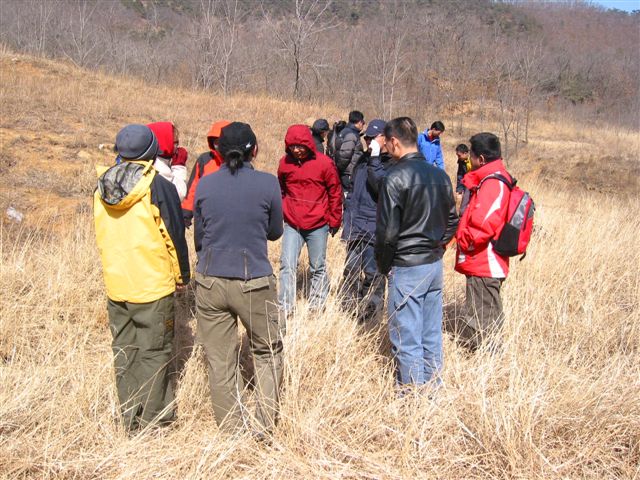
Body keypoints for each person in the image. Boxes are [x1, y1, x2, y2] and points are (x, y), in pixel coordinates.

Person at [94, 124, 190, 431]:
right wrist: (182, 276)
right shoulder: (157, 185)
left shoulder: (102, 184)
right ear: (152, 151)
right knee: (154, 352)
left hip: (117, 283)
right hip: (151, 284)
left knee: (125, 351)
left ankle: (130, 419)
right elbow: (173, 235)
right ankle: (155, 422)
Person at [193, 122, 284, 435]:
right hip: (253, 279)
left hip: (210, 279)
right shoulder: (268, 184)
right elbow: (275, 231)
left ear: (218, 152)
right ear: (254, 150)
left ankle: (231, 429)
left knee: (220, 358)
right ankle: (264, 426)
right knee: (267, 350)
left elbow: (200, 237)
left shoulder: (205, 185)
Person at [375, 117, 458, 388]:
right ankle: (432, 391)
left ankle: (412, 397)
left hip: (407, 265)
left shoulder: (394, 177)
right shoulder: (441, 176)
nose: (385, 148)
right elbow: (453, 220)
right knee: (430, 333)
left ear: (394, 142)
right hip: (433, 265)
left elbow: (387, 233)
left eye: (386, 143)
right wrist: (437, 247)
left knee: (407, 337)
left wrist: (384, 266)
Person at [454, 132, 513, 351]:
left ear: (481, 159)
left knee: (482, 317)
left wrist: (463, 242)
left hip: (485, 261)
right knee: (484, 313)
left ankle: (486, 358)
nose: (470, 160)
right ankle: (487, 355)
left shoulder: (493, 183)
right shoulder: (493, 179)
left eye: (472, 156)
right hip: (483, 259)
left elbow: (482, 224)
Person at [278, 124, 343, 316]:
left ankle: (317, 306)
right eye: (292, 146)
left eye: (300, 146)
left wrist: (335, 220)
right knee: (287, 265)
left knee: (317, 266)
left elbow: (335, 192)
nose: (297, 150)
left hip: (318, 224)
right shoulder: (284, 164)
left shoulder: (324, 163)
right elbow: (281, 190)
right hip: (292, 223)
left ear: (308, 144)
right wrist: (284, 210)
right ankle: (285, 307)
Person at [341, 119, 390, 323]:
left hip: (374, 229)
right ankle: (348, 313)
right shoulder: (362, 159)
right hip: (356, 224)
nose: (369, 141)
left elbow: (381, 187)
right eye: (367, 138)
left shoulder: (391, 163)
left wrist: (376, 158)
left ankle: (370, 318)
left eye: (373, 137)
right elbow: (353, 189)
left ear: (385, 138)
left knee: (373, 273)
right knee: (351, 270)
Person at [181, 120, 231, 226]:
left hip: (230, 216)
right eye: (215, 141)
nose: (217, 144)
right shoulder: (205, 160)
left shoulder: (240, 162)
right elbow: (193, 187)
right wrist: (186, 213)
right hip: (205, 217)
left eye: (221, 141)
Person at [147, 122, 188, 201]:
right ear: (164, 142)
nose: (177, 146)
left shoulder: (150, 158)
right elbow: (178, 194)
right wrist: (179, 165)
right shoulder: (159, 167)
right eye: (175, 142)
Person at [334, 110, 365, 192]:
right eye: (363, 123)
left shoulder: (344, 131)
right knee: (348, 194)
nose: (363, 125)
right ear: (359, 122)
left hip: (345, 171)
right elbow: (346, 154)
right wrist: (341, 170)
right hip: (348, 172)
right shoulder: (351, 134)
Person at [454, 143, 472, 215]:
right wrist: (459, 189)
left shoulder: (475, 158)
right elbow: (460, 175)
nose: (458, 157)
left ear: (465, 153)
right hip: (468, 184)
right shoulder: (461, 161)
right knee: (463, 205)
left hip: (476, 184)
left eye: (459, 155)